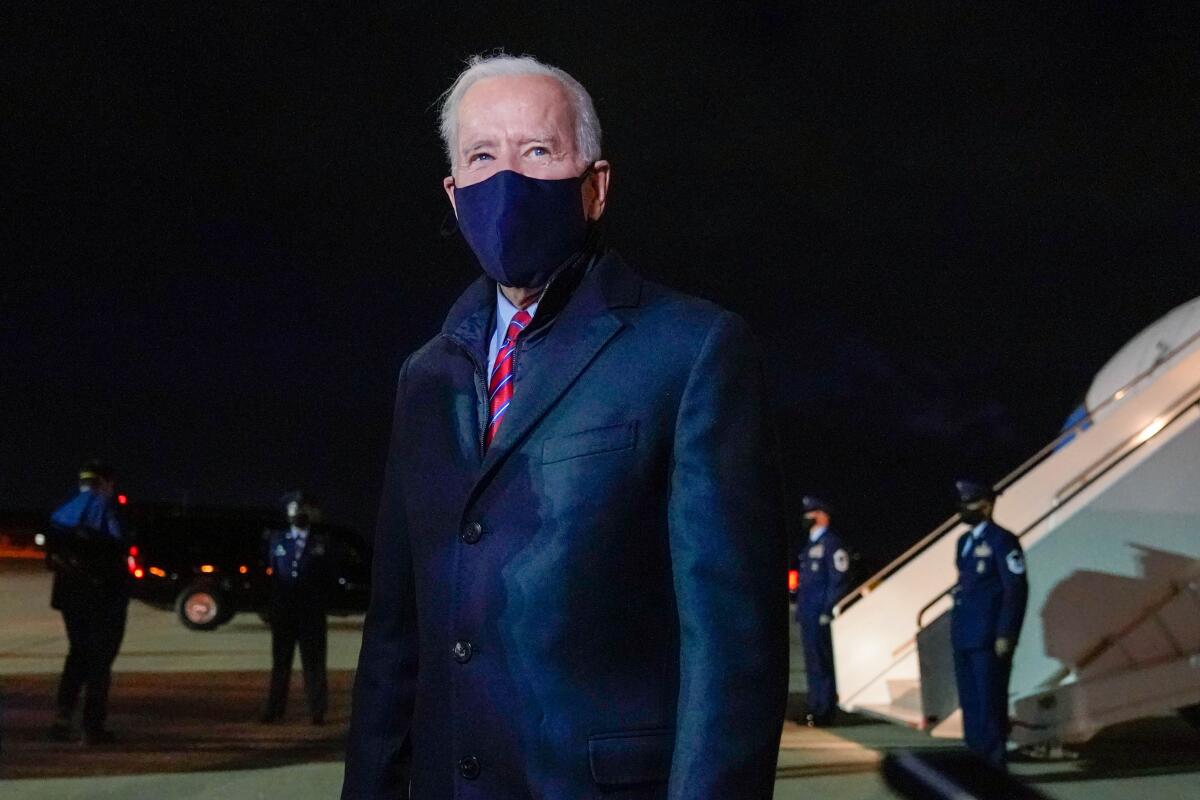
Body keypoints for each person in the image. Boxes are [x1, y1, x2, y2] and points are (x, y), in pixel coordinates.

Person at [342, 54, 788, 799]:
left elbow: (731, 648)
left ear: (595, 186)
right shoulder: (426, 376)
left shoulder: (690, 349)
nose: (507, 180)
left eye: (538, 152)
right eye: (482, 156)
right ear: (453, 196)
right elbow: (395, 634)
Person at [45, 460, 128, 744]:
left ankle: (62, 718)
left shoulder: (61, 514)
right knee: (100, 661)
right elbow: (119, 545)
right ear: (104, 482)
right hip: (101, 598)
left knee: (77, 653)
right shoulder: (103, 508)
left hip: (70, 598)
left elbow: (52, 557)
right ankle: (93, 726)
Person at [950, 479, 1028, 770]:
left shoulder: (1002, 540)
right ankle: (975, 761)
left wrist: (1006, 632)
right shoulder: (964, 542)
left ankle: (994, 767)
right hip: (964, 635)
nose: (964, 509)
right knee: (970, 704)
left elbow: (1015, 588)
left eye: (969, 502)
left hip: (988, 637)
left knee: (990, 703)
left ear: (986, 505)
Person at [260, 491, 330, 725]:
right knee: (281, 662)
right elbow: (273, 576)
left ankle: (317, 711)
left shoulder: (322, 543)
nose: (298, 515)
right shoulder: (277, 540)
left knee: (314, 664)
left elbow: (329, 578)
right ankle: (274, 708)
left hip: (311, 614)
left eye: (302, 511)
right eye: (294, 511)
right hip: (284, 612)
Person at [795, 495, 852, 727]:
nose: (806, 518)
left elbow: (838, 579)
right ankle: (815, 706)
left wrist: (827, 609)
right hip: (808, 612)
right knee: (812, 663)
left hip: (820, 613)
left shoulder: (831, 543)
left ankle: (824, 709)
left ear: (822, 516)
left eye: (811, 513)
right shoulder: (811, 545)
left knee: (821, 663)